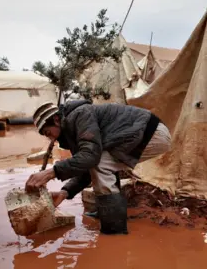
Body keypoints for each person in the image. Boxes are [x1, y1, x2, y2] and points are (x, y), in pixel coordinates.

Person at [25, 99, 171, 235]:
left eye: (48, 133)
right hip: (144, 132)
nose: (51, 138)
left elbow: (90, 158)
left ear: (56, 120)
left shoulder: (80, 114)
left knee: (101, 164)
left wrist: (51, 172)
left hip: (150, 132)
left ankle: (114, 231)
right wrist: (65, 192)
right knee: (101, 162)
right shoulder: (72, 127)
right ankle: (107, 212)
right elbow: (86, 167)